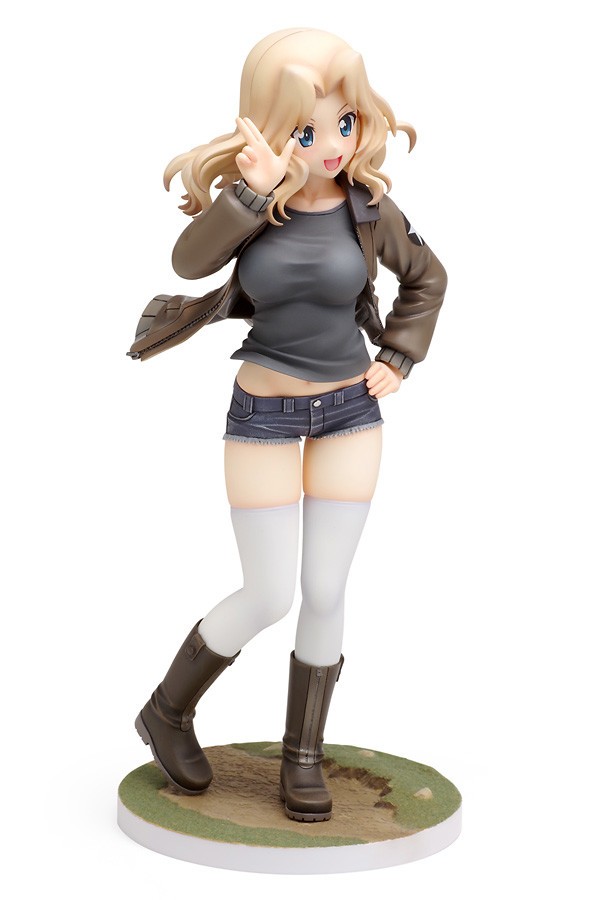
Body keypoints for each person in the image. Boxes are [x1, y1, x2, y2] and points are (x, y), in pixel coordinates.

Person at [129, 27, 447, 823]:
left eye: (346, 122)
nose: (333, 145)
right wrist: (248, 194)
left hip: (349, 412)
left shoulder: (369, 209)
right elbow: (188, 262)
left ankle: (302, 755)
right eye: (307, 130)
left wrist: (400, 355)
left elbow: (427, 278)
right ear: (269, 128)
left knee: (325, 589)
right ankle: (166, 711)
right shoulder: (256, 207)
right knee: (268, 591)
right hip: (264, 413)